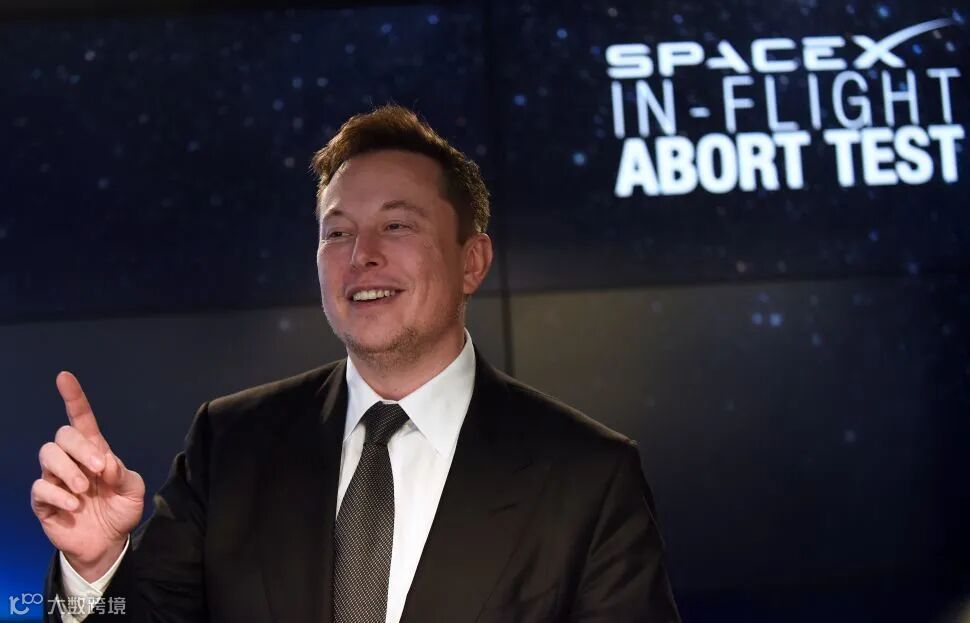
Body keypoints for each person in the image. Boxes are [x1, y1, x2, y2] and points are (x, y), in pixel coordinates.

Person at [31, 105, 681, 623]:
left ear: (472, 261)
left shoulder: (588, 477)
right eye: (337, 232)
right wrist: (95, 569)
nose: (360, 254)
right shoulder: (228, 444)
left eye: (396, 226)